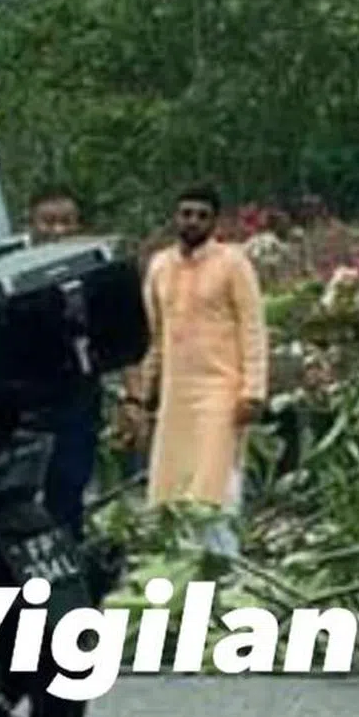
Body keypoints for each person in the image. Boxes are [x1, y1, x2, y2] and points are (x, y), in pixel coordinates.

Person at [119, 183, 268, 557]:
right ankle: (182, 569)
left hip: (221, 391)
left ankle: (223, 568)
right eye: (186, 214)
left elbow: (253, 329)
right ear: (175, 217)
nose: (193, 222)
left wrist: (253, 391)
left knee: (216, 483)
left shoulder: (233, 263)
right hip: (175, 396)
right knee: (173, 485)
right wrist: (138, 396)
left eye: (202, 215)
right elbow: (153, 337)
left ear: (215, 221)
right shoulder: (160, 266)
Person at [26, 185, 102, 542]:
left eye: (66, 222)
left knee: (71, 484)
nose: (58, 231)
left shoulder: (94, 272)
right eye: (49, 222)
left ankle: (70, 556)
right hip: (27, 402)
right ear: (31, 224)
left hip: (79, 395)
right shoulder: (9, 276)